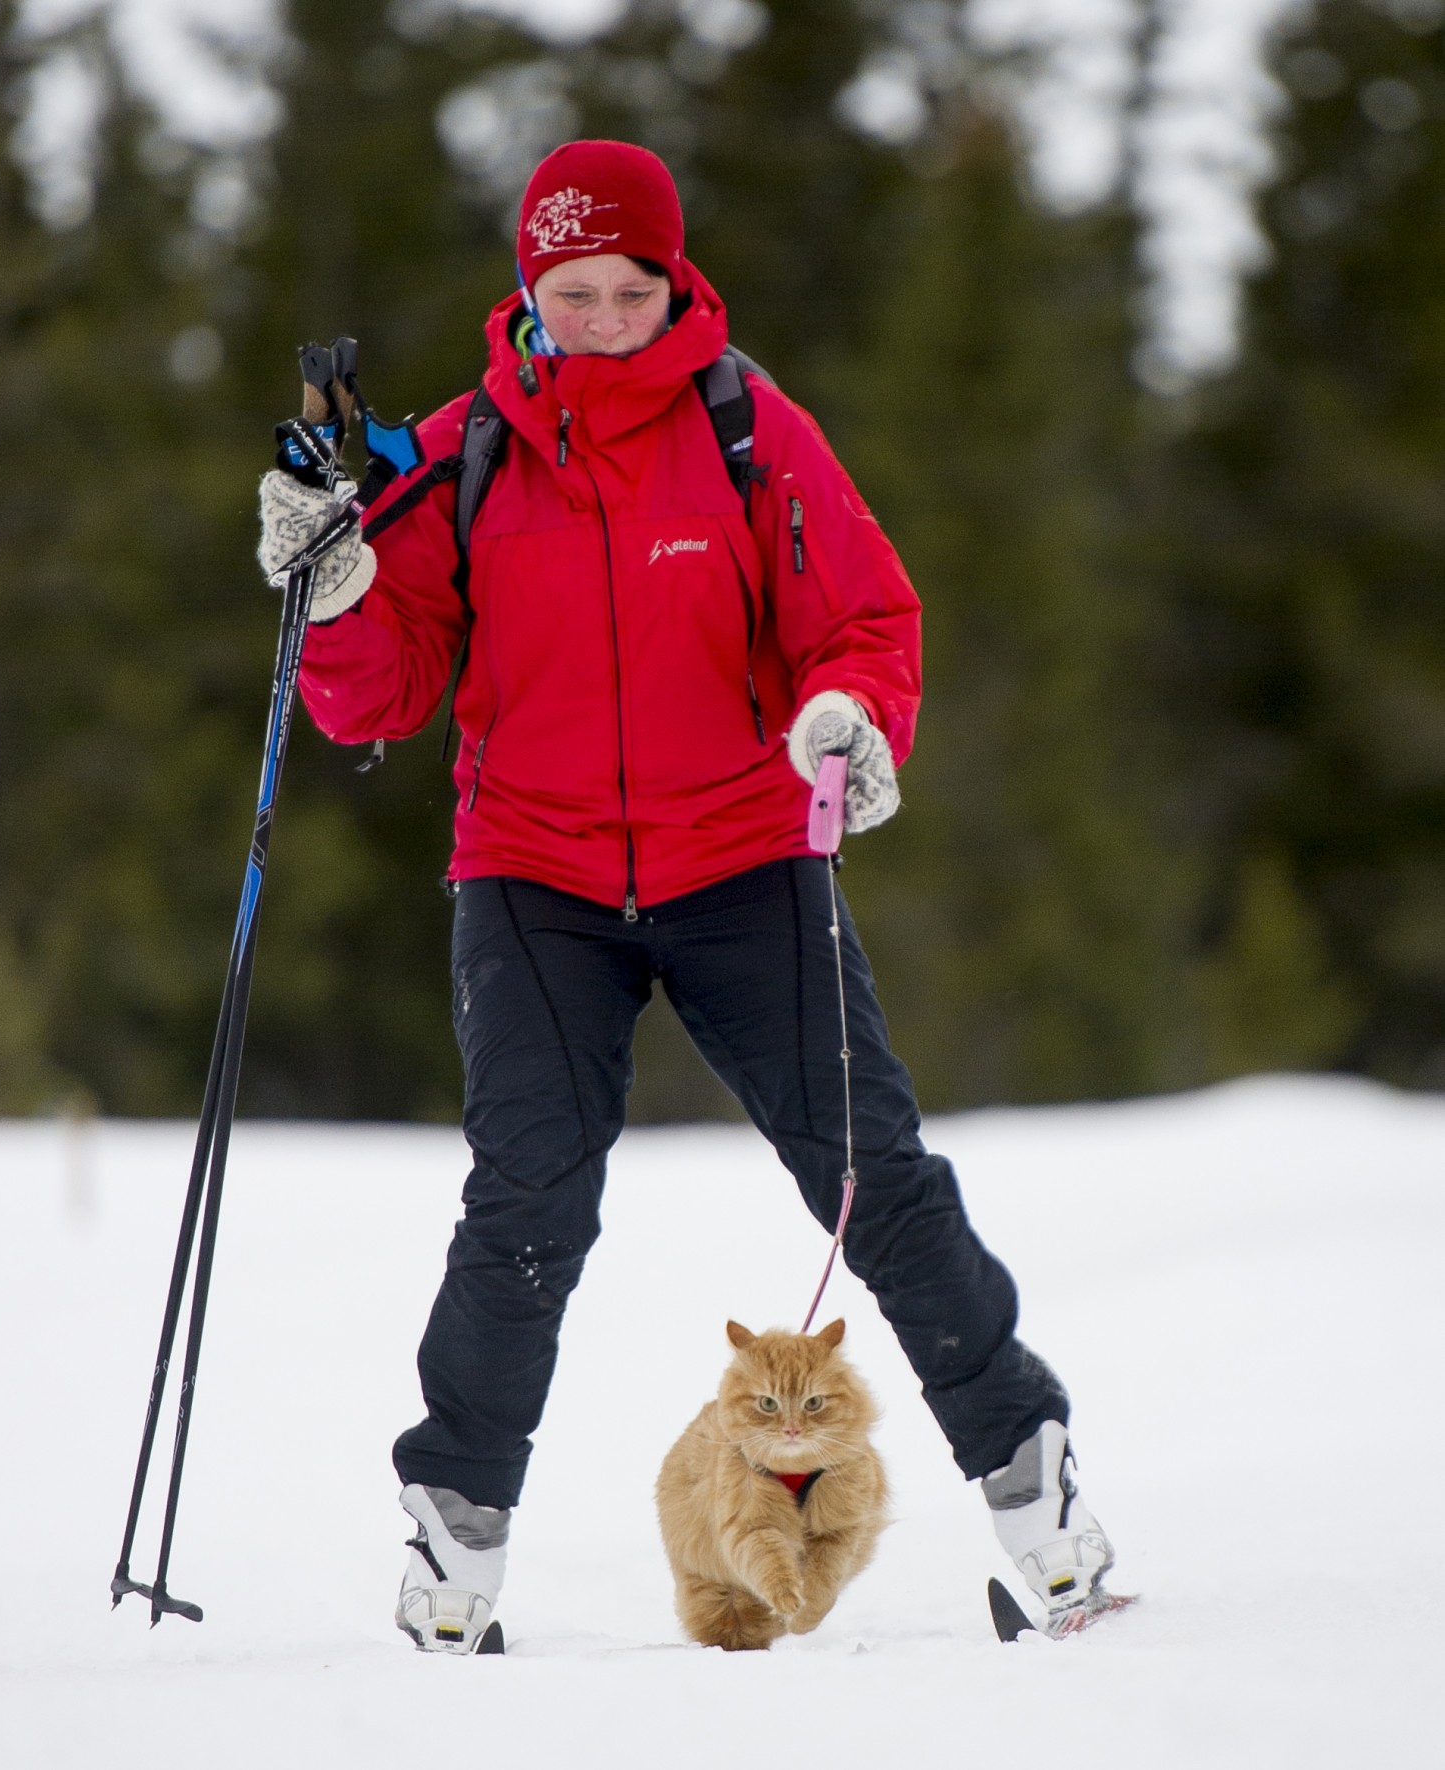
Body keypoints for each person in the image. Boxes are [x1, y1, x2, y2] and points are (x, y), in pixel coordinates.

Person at [258, 139, 1114, 1653]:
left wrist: (851, 717)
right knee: (527, 1199)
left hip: (742, 857)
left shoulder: (748, 428)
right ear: (528, 287)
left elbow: (864, 617)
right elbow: (378, 695)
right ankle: (453, 1545)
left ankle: (1039, 1501)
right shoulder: (464, 452)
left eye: (629, 289)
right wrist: (336, 599)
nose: (600, 319)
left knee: (872, 1176)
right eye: (571, 290)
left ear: (674, 280)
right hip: (535, 871)